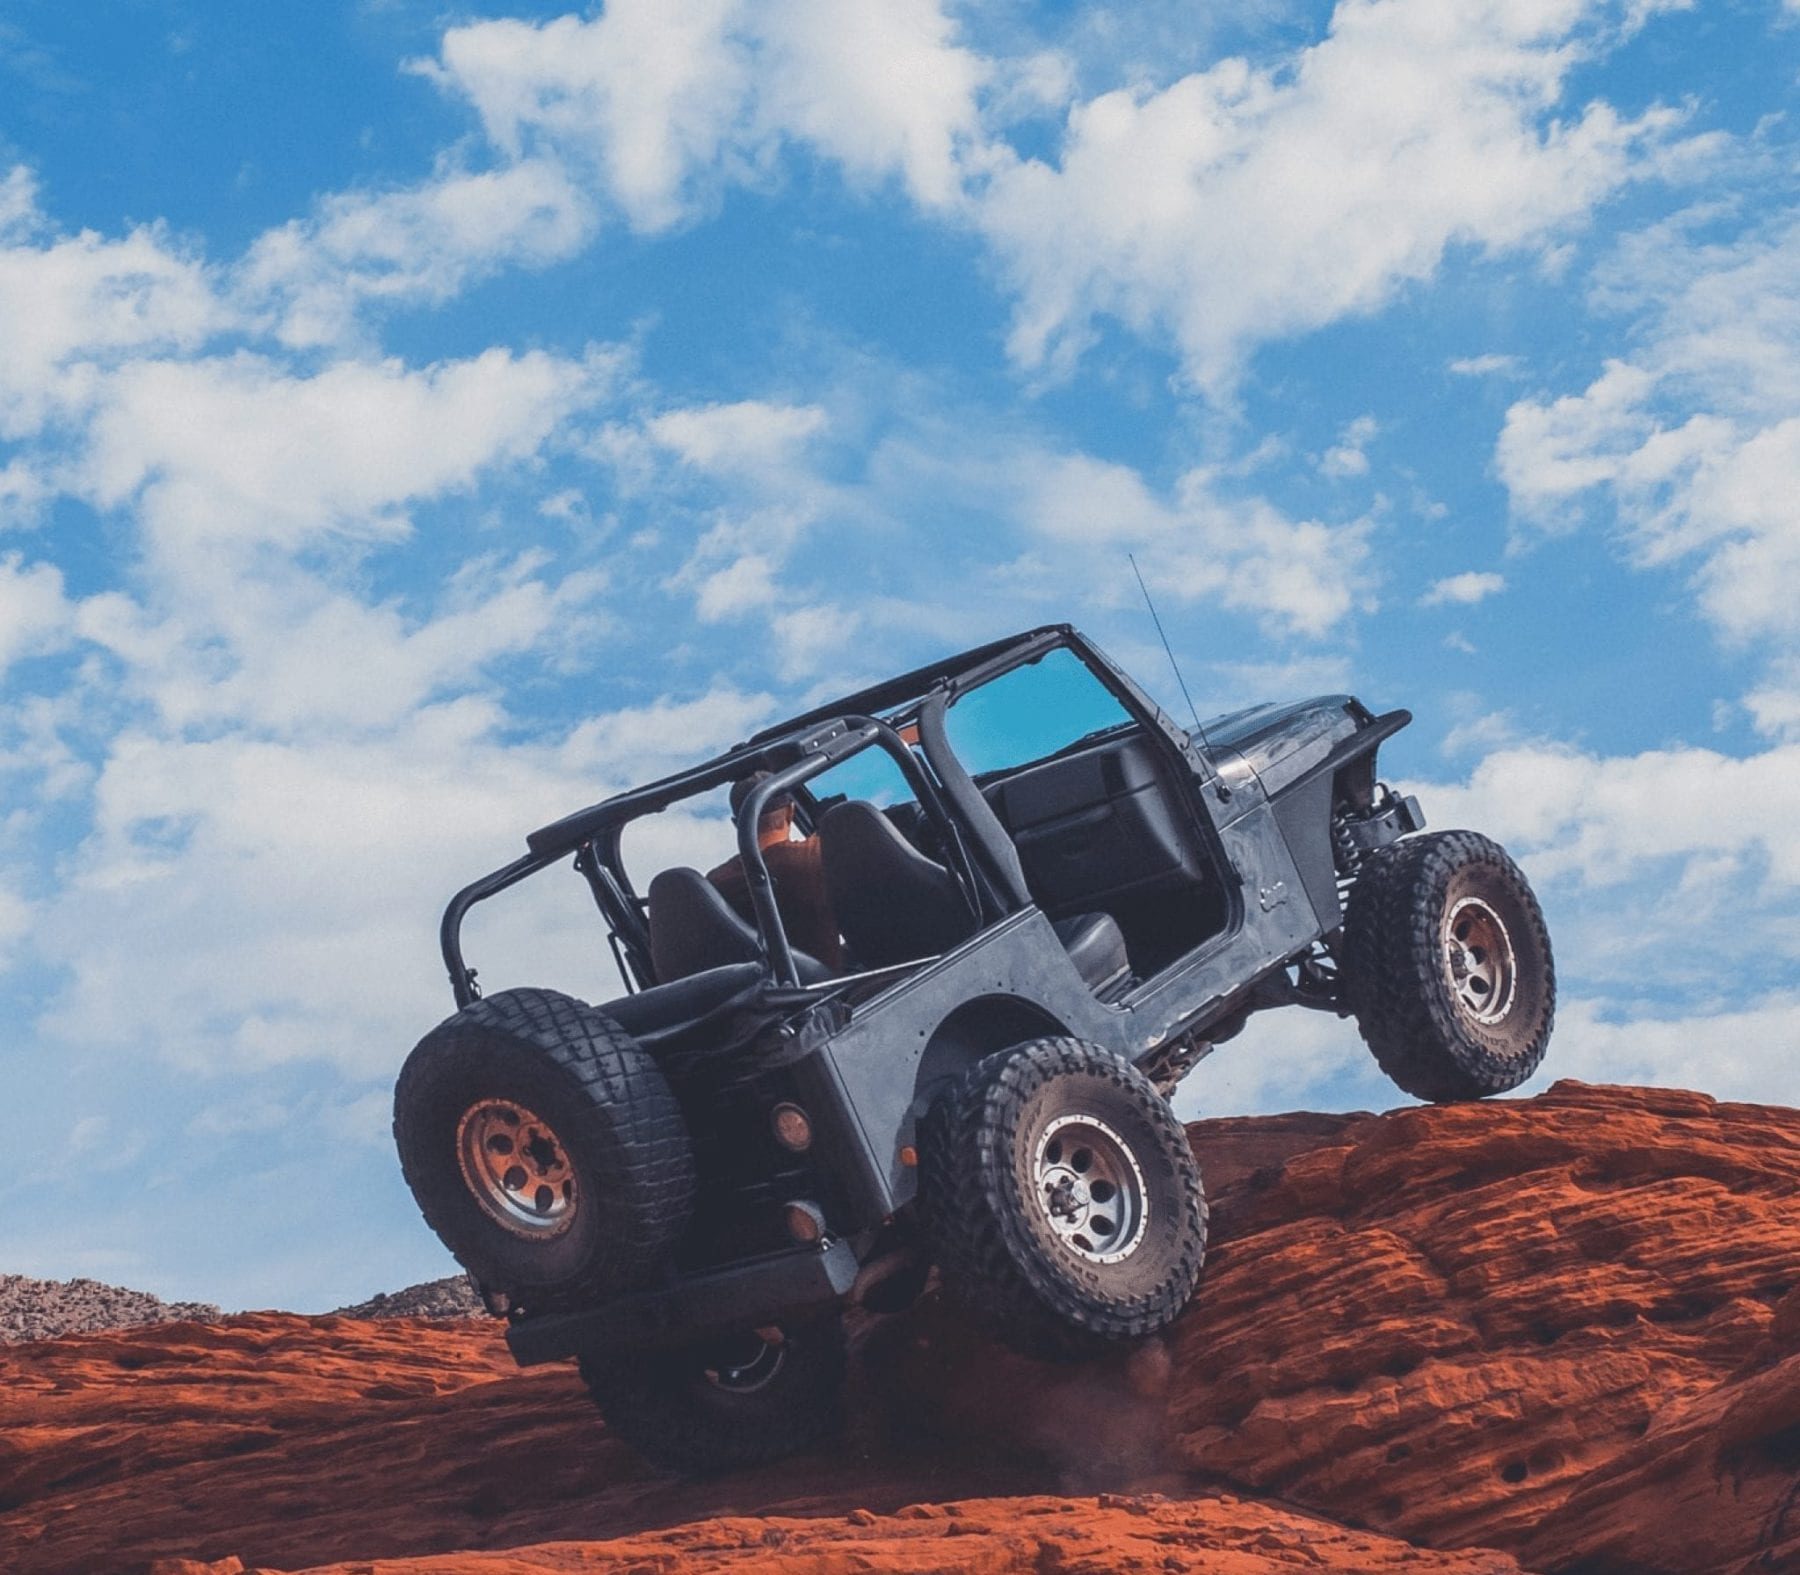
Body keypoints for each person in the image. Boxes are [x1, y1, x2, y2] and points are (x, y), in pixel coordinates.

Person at [706, 773, 845, 970]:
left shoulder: (714, 883)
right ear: (791, 812)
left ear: (738, 823)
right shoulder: (814, 856)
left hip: (763, 995)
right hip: (831, 990)